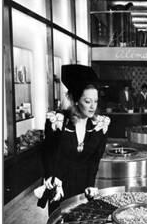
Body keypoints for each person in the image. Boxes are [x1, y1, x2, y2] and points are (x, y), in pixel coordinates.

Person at [41, 64, 110, 212]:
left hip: (83, 189)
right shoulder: (57, 121)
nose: (93, 106)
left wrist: (91, 185)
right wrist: (50, 179)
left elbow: (95, 160)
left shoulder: (99, 125)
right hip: (60, 188)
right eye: (87, 101)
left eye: (95, 101)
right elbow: (47, 154)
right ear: (76, 100)